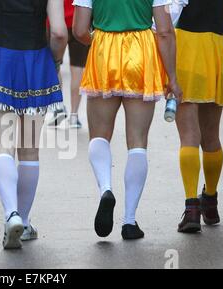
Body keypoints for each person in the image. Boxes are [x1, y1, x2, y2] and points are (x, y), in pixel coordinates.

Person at [73, 0, 182, 240]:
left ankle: (106, 189)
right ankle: (129, 221)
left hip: (103, 50)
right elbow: (164, 31)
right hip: (141, 53)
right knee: (138, 141)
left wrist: (103, 41)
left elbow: (79, 30)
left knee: (99, 135)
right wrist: (172, 77)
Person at [0, 0, 68, 249]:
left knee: (2, 146)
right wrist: (53, 62)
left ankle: (10, 213)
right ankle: (23, 222)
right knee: (29, 150)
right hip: (34, 57)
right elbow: (58, 32)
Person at [173, 0, 223, 233]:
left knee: (189, 136)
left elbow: (169, 18)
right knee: (212, 137)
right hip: (215, 54)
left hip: (186, 52)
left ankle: (191, 207)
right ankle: (210, 202)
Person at [47, 0, 90, 129]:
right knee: (77, 69)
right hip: (79, 20)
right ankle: (74, 116)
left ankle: (58, 106)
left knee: (54, 65)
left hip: (55, 21)